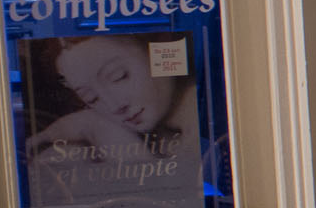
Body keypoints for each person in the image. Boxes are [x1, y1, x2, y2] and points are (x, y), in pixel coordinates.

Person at [25, 32, 200, 161]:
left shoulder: (205, 125)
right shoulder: (164, 136)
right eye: (91, 97)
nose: (113, 106)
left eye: (118, 76)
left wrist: (99, 129)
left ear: (160, 49)